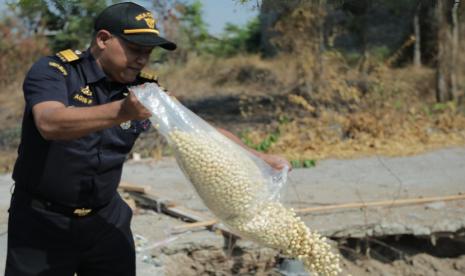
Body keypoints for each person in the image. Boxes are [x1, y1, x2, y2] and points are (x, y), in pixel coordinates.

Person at [6, 2, 291, 276]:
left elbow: (197, 129)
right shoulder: (56, 72)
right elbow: (49, 122)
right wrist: (121, 111)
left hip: (106, 217)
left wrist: (259, 157)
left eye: (148, 51)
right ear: (103, 39)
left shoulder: (145, 89)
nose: (142, 59)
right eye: (134, 49)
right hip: (42, 220)